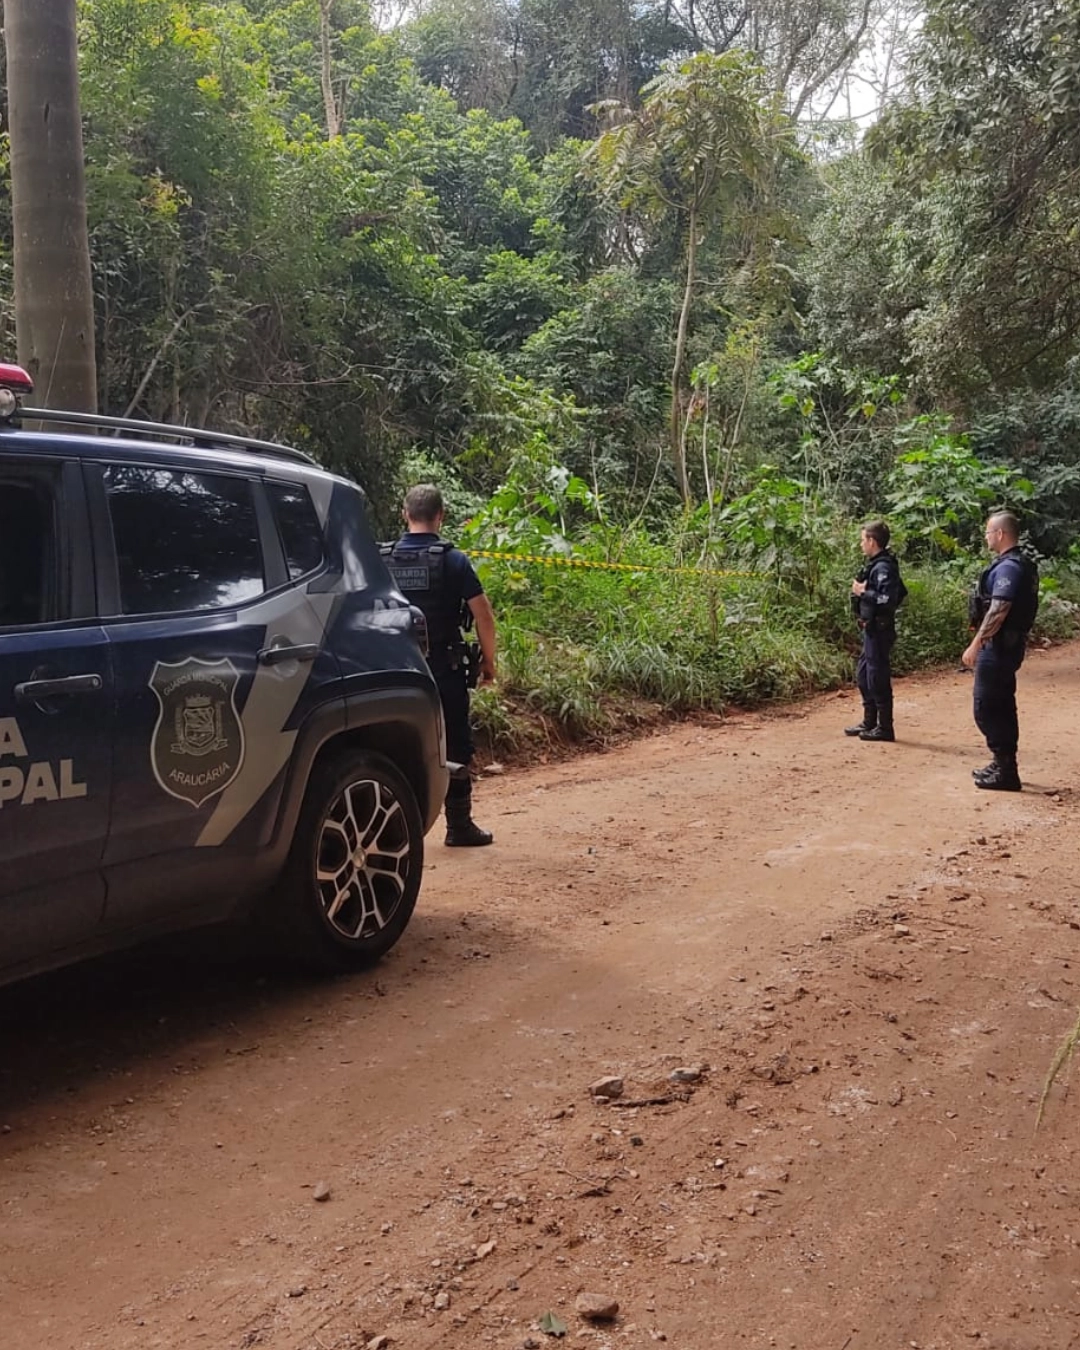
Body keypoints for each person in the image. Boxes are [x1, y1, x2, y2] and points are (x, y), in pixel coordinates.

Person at [383, 485, 498, 845]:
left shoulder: (381, 559)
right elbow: (484, 615)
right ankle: (459, 826)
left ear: (405, 514)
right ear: (441, 516)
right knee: (456, 745)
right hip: (443, 669)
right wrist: (488, 663)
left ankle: (392, 833)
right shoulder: (454, 561)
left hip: (393, 668)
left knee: (390, 746)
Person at [961, 511, 1039, 792]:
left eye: (987, 533)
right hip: (1008, 645)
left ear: (1000, 534)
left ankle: (1006, 769)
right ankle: (1003, 763)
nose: (986, 538)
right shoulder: (1019, 564)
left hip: (999, 646)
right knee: (1003, 704)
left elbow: (1000, 608)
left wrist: (976, 643)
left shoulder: (1009, 568)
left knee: (988, 706)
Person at [845, 520, 906, 742]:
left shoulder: (884, 568)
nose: (861, 544)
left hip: (880, 631)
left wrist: (864, 593)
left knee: (877, 677)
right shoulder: (876, 564)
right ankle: (869, 721)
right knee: (864, 675)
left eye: (863, 540)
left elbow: (889, 599)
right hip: (870, 629)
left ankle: (885, 727)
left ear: (872, 541)